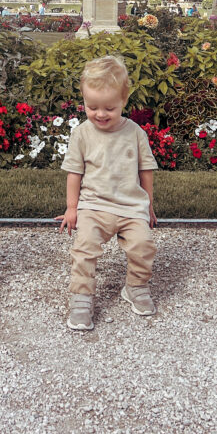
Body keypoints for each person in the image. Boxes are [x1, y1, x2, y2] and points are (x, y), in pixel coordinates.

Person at [57, 55, 158, 331]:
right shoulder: (82, 134)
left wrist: (147, 204)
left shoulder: (135, 133)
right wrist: (72, 207)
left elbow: (145, 169)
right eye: (92, 107)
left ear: (124, 101)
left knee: (143, 245)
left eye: (109, 108)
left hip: (130, 206)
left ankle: (136, 286)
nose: (100, 114)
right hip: (93, 206)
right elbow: (74, 173)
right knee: (84, 248)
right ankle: (81, 297)